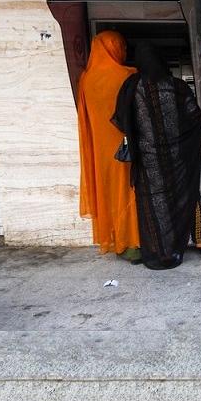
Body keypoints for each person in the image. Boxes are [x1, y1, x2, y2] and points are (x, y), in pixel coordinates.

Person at [113, 42, 201, 270]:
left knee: (153, 204)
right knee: (186, 195)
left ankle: (159, 252)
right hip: (178, 158)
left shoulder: (132, 86)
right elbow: (195, 117)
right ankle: (187, 243)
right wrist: (182, 141)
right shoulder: (178, 87)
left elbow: (121, 120)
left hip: (148, 160)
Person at [76, 30, 141, 261]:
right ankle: (133, 243)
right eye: (121, 46)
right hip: (126, 147)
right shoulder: (129, 74)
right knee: (129, 192)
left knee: (109, 194)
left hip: (99, 149)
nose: (124, 51)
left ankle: (117, 241)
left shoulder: (86, 79)